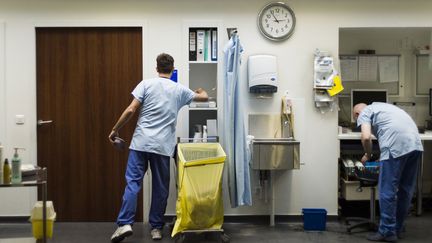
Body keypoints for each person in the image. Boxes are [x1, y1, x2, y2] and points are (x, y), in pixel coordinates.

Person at [109, 53, 208, 242]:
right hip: (163, 146)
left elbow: (131, 110)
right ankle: (156, 228)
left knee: (133, 183)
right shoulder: (179, 90)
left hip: (140, 143)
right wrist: (201, 91)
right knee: (161, 188)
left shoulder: (146, 84)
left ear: (157, 68)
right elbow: (204, 98)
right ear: (172, 69)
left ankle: (124, 224)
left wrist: (114, 130)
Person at [353, 102, 423, 242]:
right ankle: (398, 227)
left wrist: (368, 154)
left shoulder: (365, 112)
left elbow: (366, 137)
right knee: (406, 190)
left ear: (356, 115)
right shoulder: (385, 107)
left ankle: (387, 231)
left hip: (395, 147)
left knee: (387, 191)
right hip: (415, 145)